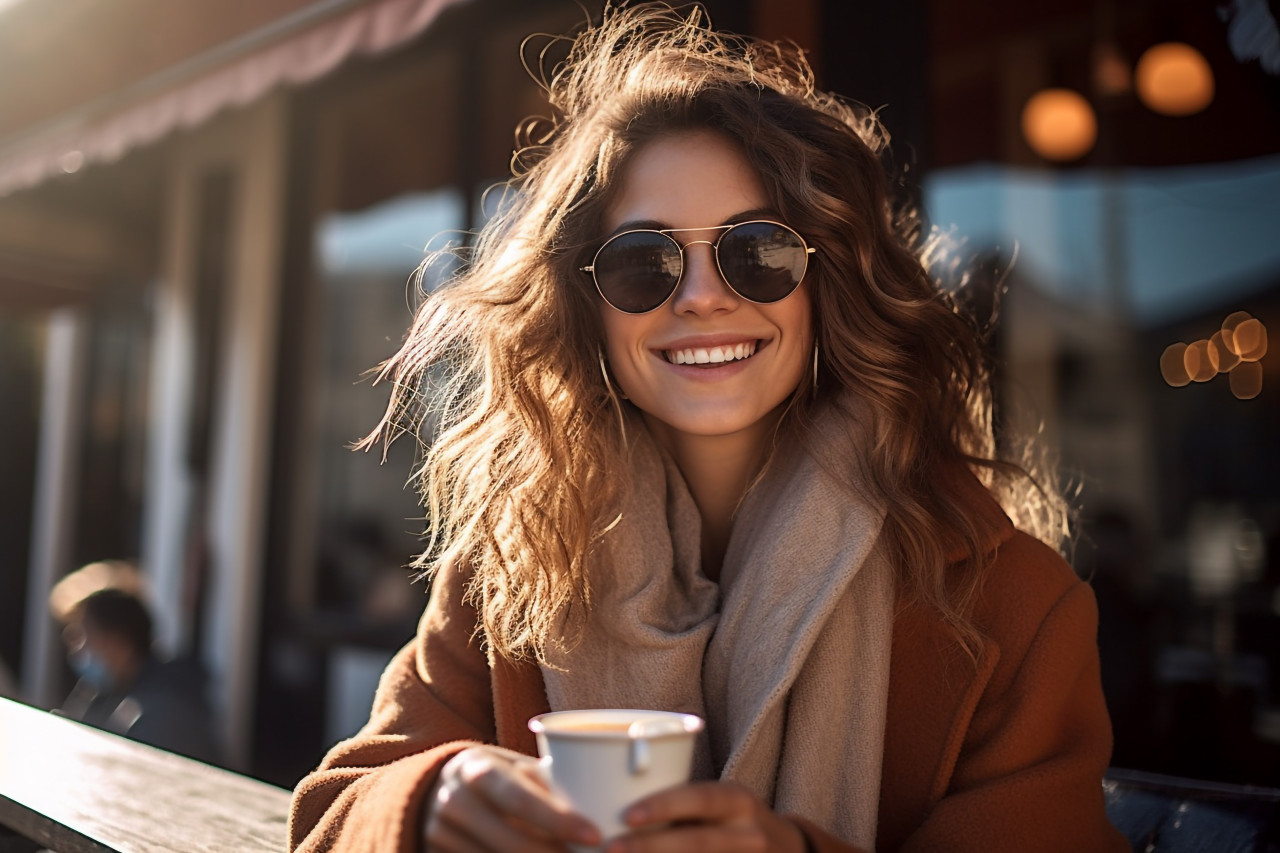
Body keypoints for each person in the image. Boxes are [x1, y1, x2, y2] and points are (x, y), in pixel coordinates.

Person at [289, 4, 1128, 851]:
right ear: (587, 307)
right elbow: (334, 813)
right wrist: (429, 797)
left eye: (756, 250)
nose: (701, 296)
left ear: (827, 281)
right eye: (643, 261)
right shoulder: (513, 564)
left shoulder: (1017, 605)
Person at [57, 584, 222, 764]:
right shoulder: (114, 696)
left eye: (81, 636)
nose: (76, 650)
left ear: (118, 642)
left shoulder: (165, 714)